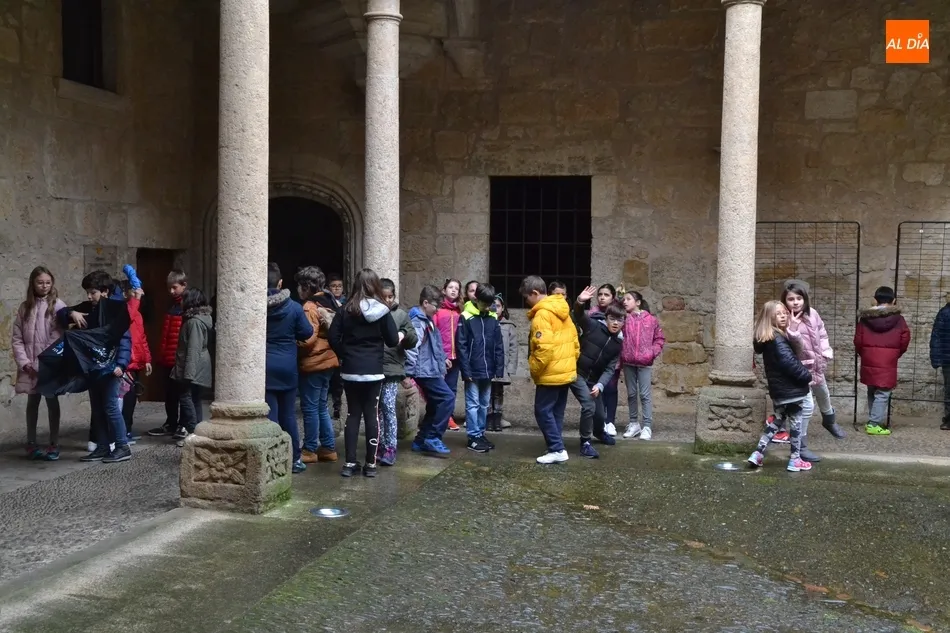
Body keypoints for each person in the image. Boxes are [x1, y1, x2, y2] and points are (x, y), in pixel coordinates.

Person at [328, 268, 400, 478]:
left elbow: (333, 337)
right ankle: (370, 463)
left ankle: (350, 462)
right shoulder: (383, 311)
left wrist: (345, 354)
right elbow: (392, 340)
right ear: (375, 286)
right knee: (371, 415)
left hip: (351, 369)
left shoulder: (345, 310)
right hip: (373, 370)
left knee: (353, 414)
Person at [59, 270, 134, 463]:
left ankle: (122, 446)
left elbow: (125, 339)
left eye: (93, 292)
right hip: (93, 366)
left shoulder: (116, 309)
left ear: (105, 291)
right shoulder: (90, 307)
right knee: (97, 409)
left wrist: (121, 364)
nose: (89, 296)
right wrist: (71, 313)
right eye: (87, 292)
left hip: (111, 368)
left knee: (110, 407)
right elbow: (61, 314)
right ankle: (102, 446)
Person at [780, 280, 845, 461]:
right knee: (807, 406)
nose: (795, 302)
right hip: (800, 370)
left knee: (823, 393)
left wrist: (825, 351)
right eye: (791, 299)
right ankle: (800, 446)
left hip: (816, 365)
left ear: (805, 299)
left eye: (799, 298)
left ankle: (829, 421)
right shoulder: (785, 318)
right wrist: (793, 328)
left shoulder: (813, 313)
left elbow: (821, 332)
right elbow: (791, 344)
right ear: (785, 301)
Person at [747, 300, 814, 472]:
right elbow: (789, 362)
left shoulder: (769, 338)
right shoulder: (777, 339)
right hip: (791, 390)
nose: (783, 316)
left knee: (777, 421)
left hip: (780, 391)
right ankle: (795, 459)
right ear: (768, 317)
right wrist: (806, 376)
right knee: (796, 424)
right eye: (778, 314)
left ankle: (758, 453)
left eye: (784, 313)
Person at [521, 275, 580, 464]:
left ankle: (556, 448)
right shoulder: (563, 310)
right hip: (565, 371)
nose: (526, 302)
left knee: (543, 411)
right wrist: (569, 363)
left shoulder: (542, 314)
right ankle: (556, 445)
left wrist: (534, 369)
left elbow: (543, 349)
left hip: (550, 373)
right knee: (556, 412)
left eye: (526, 297)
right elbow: (575, 342)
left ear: (535, 293)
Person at [12, 266, 67, 460]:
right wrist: (25, 362)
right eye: (40, 282)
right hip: (28, 364)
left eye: (48, 282)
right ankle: (31, 442)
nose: (44, 286)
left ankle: (54, 443)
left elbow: (57, 337)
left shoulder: (58, 306)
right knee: (32, 402)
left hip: (48, 365)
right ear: (33, 284)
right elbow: (17, 337)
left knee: (52, 401)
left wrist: (39, 364)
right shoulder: (25, 307)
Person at [265, 263, 314, 474]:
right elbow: (307, 332)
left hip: (265, 366)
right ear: (280, 283)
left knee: (270, 416)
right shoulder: (294, 307)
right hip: (287, 365)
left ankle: (272, 462)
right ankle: (295, 459)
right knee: (288, 416)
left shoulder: (256, 306)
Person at [571, 285, 625, 458]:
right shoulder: (593, 326)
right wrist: (580, 302)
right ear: (606, 318)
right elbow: (578, 315)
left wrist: (600, 385)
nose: (615, 323)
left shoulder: (617, 344)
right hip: (576, 373)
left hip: (593, 380)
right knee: (589, 406)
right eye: (612, 319)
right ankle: (585, 443)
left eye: (619, 320)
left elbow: (610, 368)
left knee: (600, 414)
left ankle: (599, 432)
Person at [295, 266, 340, 464]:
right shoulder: (330, 302)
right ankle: (328, 448)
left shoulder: (309, 307)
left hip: (314, 363)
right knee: (321, 406)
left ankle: (310, 449)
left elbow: (308, 339)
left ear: (306, 286)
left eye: (299, 285)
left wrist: (294, 344)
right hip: (329, 361)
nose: (298, 289)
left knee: (310, 408)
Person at [854, 286, 910, 436]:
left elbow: (858, 340)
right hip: (888, 361)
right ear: (894, 300)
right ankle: (873, 423)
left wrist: (865, 354)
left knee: (872, 390)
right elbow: (905, 339)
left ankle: (873, 420)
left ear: (875, 300)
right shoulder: (899, 319)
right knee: (884, 393)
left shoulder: (865, 319)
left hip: (869, 358)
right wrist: (895, 354)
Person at [407, 285, 456, 458]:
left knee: (435, 404)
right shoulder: (417, 321)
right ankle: (433, 437)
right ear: (425, 303)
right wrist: (408, 373)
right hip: (424, 371)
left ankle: (420, 441)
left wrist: (442, 359)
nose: (437, 310)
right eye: (436, 306)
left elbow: (434, 344)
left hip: (430, 369)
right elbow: (412, 348)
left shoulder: (427, 319)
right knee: (447, 398)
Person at [457, 283, 505, 453]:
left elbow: (498, 344)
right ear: (476, 299)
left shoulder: (492, 317)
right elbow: (461, 346)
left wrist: (499, 367)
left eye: (489, 304)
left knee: (484, 404)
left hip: (488, 368)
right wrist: (465, 371)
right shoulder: (466, 316)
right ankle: (473, 437)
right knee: (473, 404)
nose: (486, 307)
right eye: (484, 303)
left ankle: (480, 433)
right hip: (472, 369)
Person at [379, 277, 418, 466]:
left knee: (388, 406)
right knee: (376, 409)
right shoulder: (372, 313)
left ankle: (390, 447)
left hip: (392, 368)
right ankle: (378, 444)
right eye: (383, 297)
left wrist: (405, 335)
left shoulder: (401, 315)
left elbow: (413, 338)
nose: (387, 300)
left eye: (390, 297)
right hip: (373, 367)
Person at [146, 269, 188, 439]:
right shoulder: (171, 305)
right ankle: (171, 423)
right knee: (170, 395)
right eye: (169, 287)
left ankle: (183, 424)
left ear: (184, 285)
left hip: (178, 358)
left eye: (174, 287)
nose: (171, 291)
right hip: (168, 357)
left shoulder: (187, 305)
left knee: (182, 395)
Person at [170, 288, 213, 447]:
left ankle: (194, 432)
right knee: (194, 398)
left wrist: (188, 374)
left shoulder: (194, 322)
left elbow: (193, 349)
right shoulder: (197, 319)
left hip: (193, 366)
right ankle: (196, 432)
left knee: (186, 397)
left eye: (183, 299)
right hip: (197, 365)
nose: (181, 302)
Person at [619, 290, 665, 440]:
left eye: (628, 299)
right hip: (628, 361)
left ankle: (647, 426)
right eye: (624, 299)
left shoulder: (651, 320)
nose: (625, 301)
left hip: (644, 362)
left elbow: (659, 338)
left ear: (638, 302)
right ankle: (634, 423)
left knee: (645, 395)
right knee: (631, 394)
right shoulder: (624, 318)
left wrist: (651, 353)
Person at [120, 265, 152, 442]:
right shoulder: (124, 310)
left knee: (131, 399)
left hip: (136, 361)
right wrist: (136, 298)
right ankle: (122, 431)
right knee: (125, 399)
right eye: (133, 291)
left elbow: (142, 338)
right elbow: (128, 315)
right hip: (127, 362)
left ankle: (128, 430)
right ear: (126, 293)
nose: (138, 294)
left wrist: (147, 359)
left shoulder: (137, 314)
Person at [590, 284, 621, 436]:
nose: (602, 297)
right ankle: (600, 420)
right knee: (597, 390)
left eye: (606, 295)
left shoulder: (617, 311)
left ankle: (610, 422)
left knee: (611, 388)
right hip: (596, 359)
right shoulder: (593, 312)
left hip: (613, 357)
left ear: (613, 297)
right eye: (600, 294)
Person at [434, 278, 463, 431]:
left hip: (455, 357)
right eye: (450, 287)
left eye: (456, 288)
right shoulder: (438, 311)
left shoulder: (459, 312)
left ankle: (448, 417)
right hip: (441, 357)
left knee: (452, 389)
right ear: (444, 290)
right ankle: (437, 416)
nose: (453, 290)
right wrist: (441, 356)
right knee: (439, 388)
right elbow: (433, 334)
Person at [489, 294, 517, 431]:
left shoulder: (509, 326)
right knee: (487, 392)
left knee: (498, 392)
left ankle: (497, 418)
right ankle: (488, 418)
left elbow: (513, 348)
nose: (495, 309)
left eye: (498, 306)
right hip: (488, 365)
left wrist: (510, 368)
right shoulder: (486, 322)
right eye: (492, 306)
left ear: (503, 308)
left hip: (502, 366)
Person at [327, 272, 346, 419]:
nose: (337, 288)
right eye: (334, 286)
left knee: (341, 379)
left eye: (339, 286)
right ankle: (336, 405)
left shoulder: (347, 303)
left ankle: (341, 406)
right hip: (331, 345)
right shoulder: (326, 302)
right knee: (335, 380)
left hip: (343, 343)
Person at [930, 294, 950, 431]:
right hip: (948, 358)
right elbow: (936, 336)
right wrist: (936, 358)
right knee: (949, 390)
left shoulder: (944, 312)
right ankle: (949, 419)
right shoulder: (945, 312)